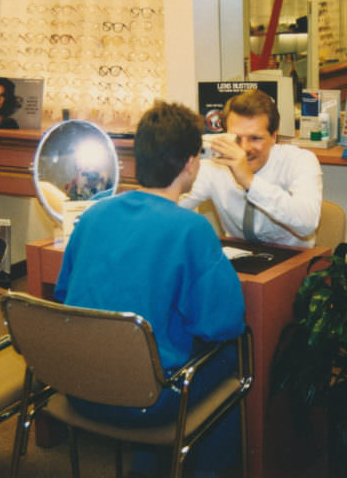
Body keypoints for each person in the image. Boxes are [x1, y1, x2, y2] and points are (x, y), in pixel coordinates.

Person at [54, 100, 246, 476]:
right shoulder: (190, 229)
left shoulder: (93, 215)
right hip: (146, 401)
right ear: (191, 164)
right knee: (232, 357)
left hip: (78, 386)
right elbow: (224, 323)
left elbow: (64, 295)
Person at [179, 89, 323, 248]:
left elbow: (307, 222)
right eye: (237, 138)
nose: (245, 148)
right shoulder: (213, 165)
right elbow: (174, 207)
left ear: (274, 136)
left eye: (255, 138)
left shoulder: (300, 160)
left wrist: (249, 181)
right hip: (239, 258)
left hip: (294, 260)